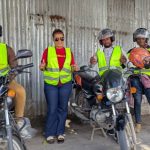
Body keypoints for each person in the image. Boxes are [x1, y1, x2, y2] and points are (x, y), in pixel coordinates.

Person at [39, 29, 78, 144]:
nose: (59, 41)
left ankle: (60, 132)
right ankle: (50, 133)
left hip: (65, 84)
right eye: (57, 39)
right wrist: (42, 66)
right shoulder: (48, 51)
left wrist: (75, 68)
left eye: (62, 38)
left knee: (63, 108)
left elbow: (71, 66)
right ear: (53, 40)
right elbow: (43, 65)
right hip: (51, 84)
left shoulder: (68, 51)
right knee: (52, 108)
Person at [0, 25, 36, 139]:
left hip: (5, 81)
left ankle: (19, 122)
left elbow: (14, 65)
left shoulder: (6, 49)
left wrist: (12, 73)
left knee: (20, 90)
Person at [90, 28, 127, 135]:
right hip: (104, 79)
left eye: (108, 39)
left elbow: (126, 62)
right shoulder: (98, 51)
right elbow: (92, 64)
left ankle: (120, 124)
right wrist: (92, 61)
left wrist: (124, 62)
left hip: (116, 78)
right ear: (101, 41)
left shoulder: (119, 49)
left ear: (112, 39)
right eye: (104, 40)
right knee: (105, 102)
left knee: (120, 100)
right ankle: (109, 126)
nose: (106, 41)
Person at [127, 28, 150, 133]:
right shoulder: (131, 52)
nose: (141, 41)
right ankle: (138, 123)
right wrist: (125, 63)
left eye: (143, 39)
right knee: (137, 100)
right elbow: (125, 64)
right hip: (135, 79)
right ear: (135, 40)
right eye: (138, 39)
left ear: (146, 39)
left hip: (148, 79)